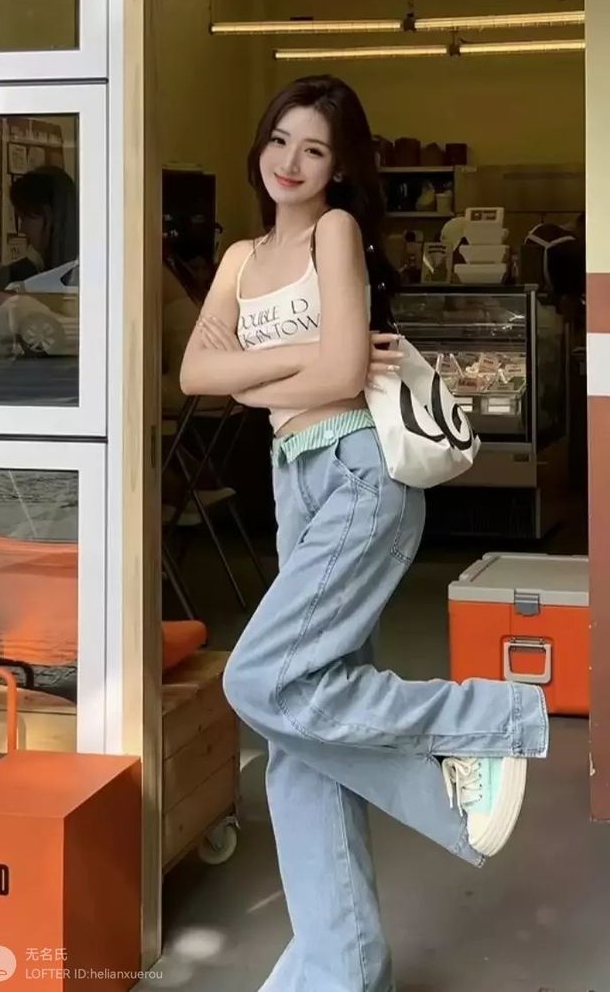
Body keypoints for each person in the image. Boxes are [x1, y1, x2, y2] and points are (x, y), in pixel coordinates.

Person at [180, 75, 549, 992]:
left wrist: (258, 373)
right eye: (280, 140)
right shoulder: (239, 259)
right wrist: (307, 358)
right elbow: (195, 373)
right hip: (294, 484)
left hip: (357, 473)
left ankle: (482, 725)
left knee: (260, 679)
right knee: (297, 738)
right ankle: (339, 969)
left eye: (314, 149)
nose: (290, 162)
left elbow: (342, 376)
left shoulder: (334, 234)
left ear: (338, 167)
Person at [0, 164, 78, 303]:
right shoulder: (17, 273)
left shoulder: (82, 274)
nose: (22, 228)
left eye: (24, 218)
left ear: (50, 215)